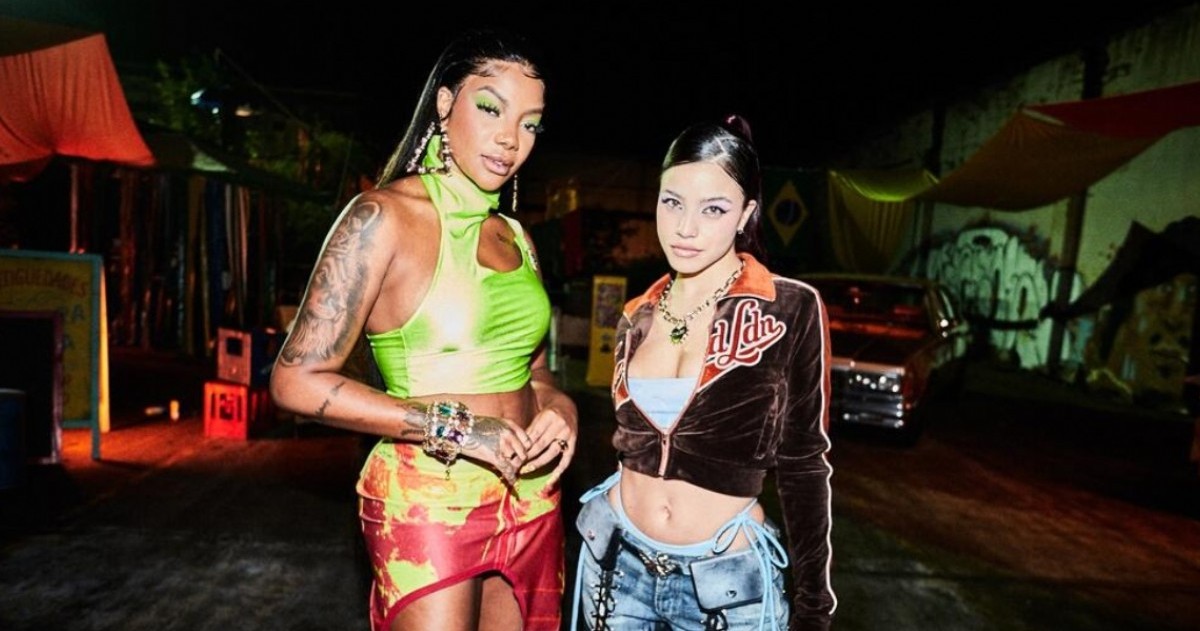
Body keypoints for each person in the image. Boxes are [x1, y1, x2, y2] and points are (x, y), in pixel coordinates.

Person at [269, 29, 578, 631]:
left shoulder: (518, 236)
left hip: (532, 496)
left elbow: (536, 372)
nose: (510, 139)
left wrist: (561, 408)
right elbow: (295, 381)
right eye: (490, 108)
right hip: (429, 501)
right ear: (444, 103)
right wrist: (456, 428)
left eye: (530, 124)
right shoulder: (381, 217)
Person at [570, 116, 836, 630]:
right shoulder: (635, 315)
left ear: (745, 214)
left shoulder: (788, 308)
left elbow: (805, 464)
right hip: (617, 570)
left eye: (713, 208)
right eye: (672, 202)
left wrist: (814, 607)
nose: (685, 228)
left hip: (726, 588)